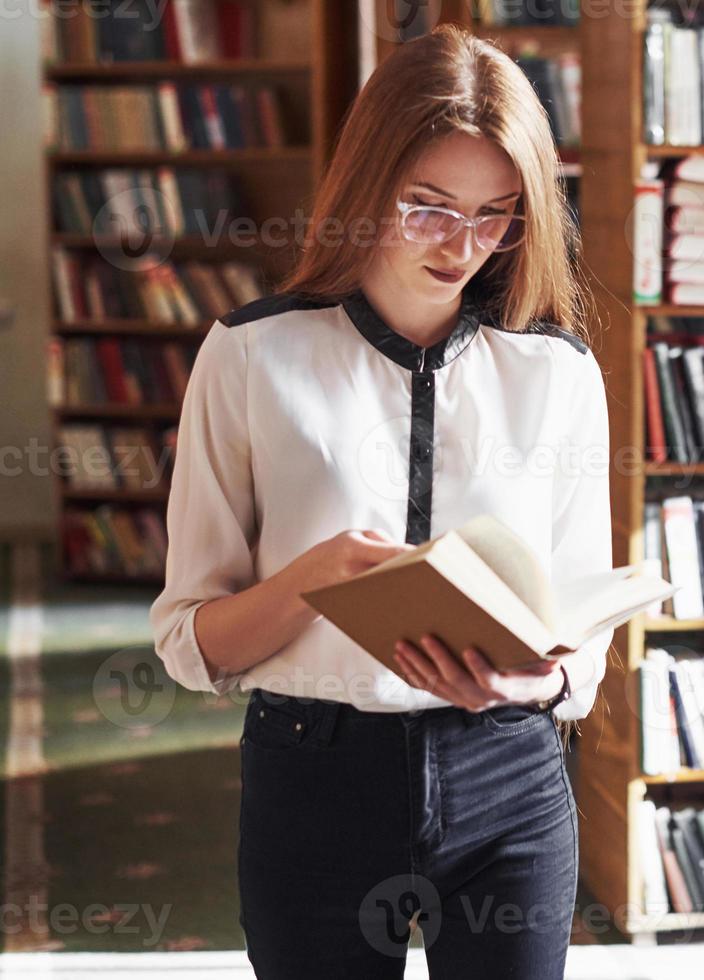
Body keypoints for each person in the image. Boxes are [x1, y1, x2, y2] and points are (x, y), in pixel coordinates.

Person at [149, 25, 608, 979]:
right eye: (430, 207)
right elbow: (190, 644)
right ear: (365, 186)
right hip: (314, 771)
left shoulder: (556, 373)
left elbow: (582, 626)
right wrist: (313, 580)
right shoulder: (249, 356)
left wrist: (548, 681)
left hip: (510, 777)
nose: (464, 245)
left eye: (497, 214)